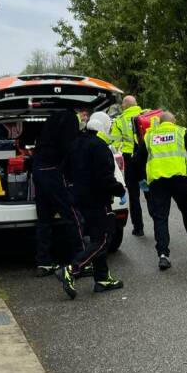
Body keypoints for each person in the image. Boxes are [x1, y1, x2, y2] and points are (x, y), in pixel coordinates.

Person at [59, 112, 127, 299]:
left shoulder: (76, 143)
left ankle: (102, 277)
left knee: (97, 237)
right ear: (104, 126)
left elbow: (64, 170)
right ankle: (72, 269)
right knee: (103, 239)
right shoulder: (100, 147)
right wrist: (120, 190)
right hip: (98, 200)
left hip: (80, 199)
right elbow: (104, 178)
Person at [139, 110, 187, 271]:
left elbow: (139, 159)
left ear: (160, 122)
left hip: (157, 182)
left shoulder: (150, 136)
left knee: (160, 218)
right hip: (180, 181)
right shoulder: (180, 132)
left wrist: (142, 178)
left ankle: (163, 255)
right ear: (173, 121)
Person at [32, 108, 85, 277]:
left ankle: (44, 262)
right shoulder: (69, 118)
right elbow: (68, 148)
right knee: (72, 214)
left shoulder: (52, 117)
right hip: (53, 169)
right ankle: (81, 259)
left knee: (44, 218)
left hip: (38, 168)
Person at [106, 96, 146, 237]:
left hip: (131, 161)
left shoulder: (120, 121)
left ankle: (138, 228)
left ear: (125, 106)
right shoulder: (146, 115)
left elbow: (114, 144)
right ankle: (159, 221)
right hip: (146, 160)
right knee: (149, 192)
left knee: (134, 195)